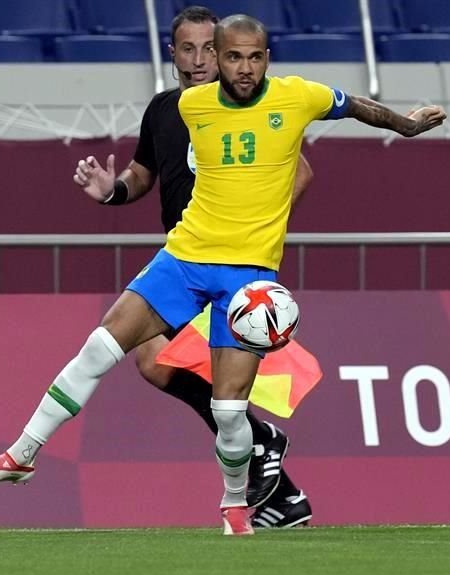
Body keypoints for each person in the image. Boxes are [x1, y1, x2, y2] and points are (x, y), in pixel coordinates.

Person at [0, 13, 447, 536]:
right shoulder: (188, 107)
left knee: (229, 411)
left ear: (264, 59)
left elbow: (356, 107)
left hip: (249, 277)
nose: (238, 66)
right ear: (204, 55)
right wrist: (117, 189)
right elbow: (152, 166)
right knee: (100, 348)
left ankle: (236, 507)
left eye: (251, 57)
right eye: (229, 55)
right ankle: (21, 454)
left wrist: (407, 125)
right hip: (185, 257)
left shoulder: (296, 96)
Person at [78, 6, 313, 528]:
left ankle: (266, 451)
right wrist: (113, 192)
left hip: (234, 262)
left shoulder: (245, 107)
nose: (201, 58)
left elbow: (300, 171)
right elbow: (142, 174)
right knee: (157, 362)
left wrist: (254, 227)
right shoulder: (167, 109)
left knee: (159, 360)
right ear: (173, 54)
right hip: (186, 259)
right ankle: (282, 488)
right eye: (189, 48)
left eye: (211, 48)